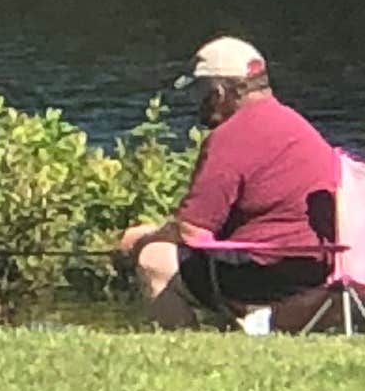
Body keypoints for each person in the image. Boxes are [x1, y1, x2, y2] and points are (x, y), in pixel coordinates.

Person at [116, 36, 341, 331]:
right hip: (321, 267)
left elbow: (193, 230)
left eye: (200, 94)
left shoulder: (231, 137)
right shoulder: (296, 125)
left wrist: (142, 240)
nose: (197, 104)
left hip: (270, 272)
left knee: (154, 259)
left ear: (220, 93)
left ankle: (184, 350)